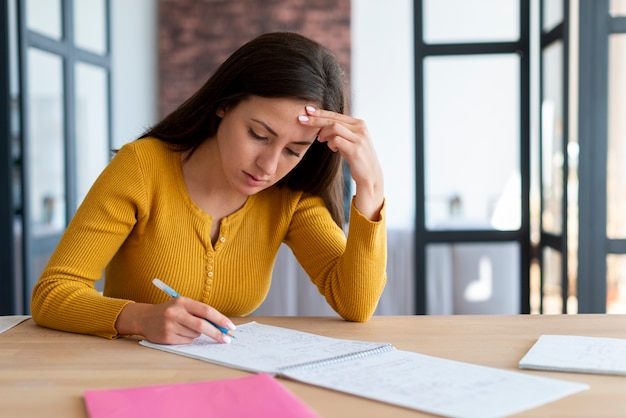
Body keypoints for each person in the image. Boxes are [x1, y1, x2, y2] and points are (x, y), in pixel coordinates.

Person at [31, 31, 387, 345]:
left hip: (228, 381)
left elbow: (356, 303)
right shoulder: (142, 167)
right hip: (132, 374)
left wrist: (370, 186)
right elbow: (53, 293)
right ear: (224, 104)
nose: (269, 166)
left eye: (294, 151)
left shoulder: (289, 196)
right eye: (259, 135)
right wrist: (140, 318)